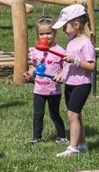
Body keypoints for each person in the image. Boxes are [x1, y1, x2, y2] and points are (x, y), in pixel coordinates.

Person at [52, 4, 95, 157]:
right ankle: (82, 145)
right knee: (76, 115)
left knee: (72, 115)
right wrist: (61, 73)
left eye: (65, 26)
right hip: (70, 83)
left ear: (76, 25)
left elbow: (91, 66)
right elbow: (66, 63)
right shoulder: (71, 41)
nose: (63, 30)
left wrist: (76, 61)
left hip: (82, 84)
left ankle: (72, 148)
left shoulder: (86, 43)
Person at [22, 15, 67, 145]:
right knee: (38, 114)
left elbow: (66, 68)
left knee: (54, 114)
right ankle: (36, 137)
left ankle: (61, 136)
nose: (45, 37)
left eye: (48, 33)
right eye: (41, 34)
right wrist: (30, 73)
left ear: (55, 33)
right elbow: (34, 66)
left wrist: (61, 74)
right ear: (37, 34)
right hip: (39, 89)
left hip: (54, 90)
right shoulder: (36, 51)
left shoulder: (59, 51)